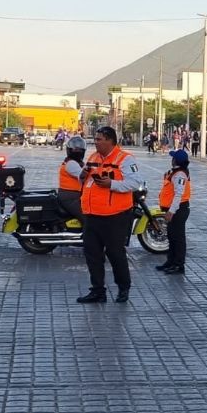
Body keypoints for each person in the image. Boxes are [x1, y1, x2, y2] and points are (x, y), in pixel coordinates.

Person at [76, 126, 144, 304]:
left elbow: (135, 183)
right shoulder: (93, 157)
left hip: (115, 215)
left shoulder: (125, 159)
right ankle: (98, 291)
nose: (96, 142)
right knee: (92, 254)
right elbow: (85, 180)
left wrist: (111, 184)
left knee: (115, 254)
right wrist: (82, 176)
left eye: (99, 139)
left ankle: (123, 288)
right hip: (92, 215)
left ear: (109, 140)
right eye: (96, 139)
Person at [156, 149, 191, 275]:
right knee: (171, 236)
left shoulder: (180, 175)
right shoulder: (174, 172)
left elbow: (178, 195)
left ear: (176, 160)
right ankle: (170, 262)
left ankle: (178, 265)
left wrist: (171, 211)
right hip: (174, 210)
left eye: (173, 158)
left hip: (178, 210)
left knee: (178, 238)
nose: (171, 159)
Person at [57, 136, 86, 222]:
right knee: (88, 219)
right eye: (76, 149)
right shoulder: (71, 164)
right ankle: (88, 235)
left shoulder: (77, 163)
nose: (78, 151)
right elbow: (83, 176)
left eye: (80, 149)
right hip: (71, 197)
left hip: (74, 195)